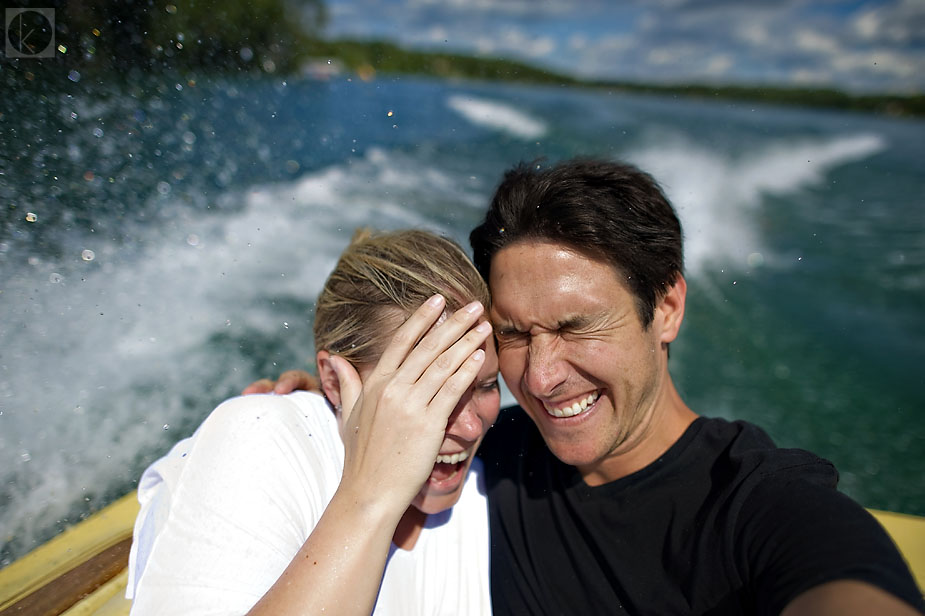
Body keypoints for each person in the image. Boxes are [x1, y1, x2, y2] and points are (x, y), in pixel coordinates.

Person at [252, 158, 924, 615]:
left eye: (576, 326)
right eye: (514, 333)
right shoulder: (489, 452)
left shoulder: (757, 503)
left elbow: (843, 582)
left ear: (665, 309)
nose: (539, 378)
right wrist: (329, 399)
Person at [127, 229, 501, 615]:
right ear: (334, 382)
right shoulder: (263, 437)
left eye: (488, 385)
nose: (472, 428)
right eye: (431, 394)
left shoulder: (496, 482)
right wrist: (372, 494)